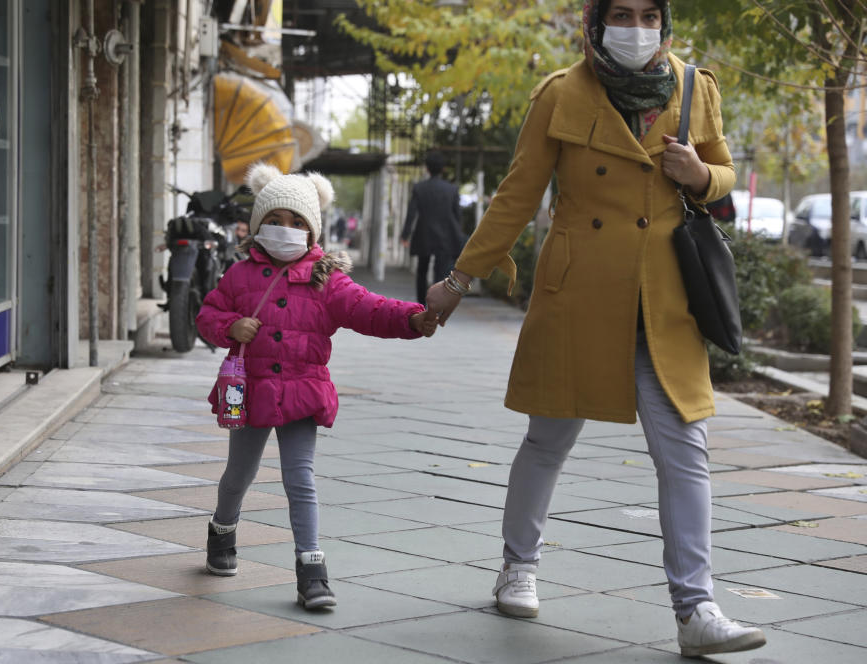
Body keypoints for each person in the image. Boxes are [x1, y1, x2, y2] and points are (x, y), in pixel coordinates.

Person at [425, 0, 766, 657]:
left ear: (664, 25)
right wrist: (459, 282)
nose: (634, 27)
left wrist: (701, 175)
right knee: (548, 437)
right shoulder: (560, 93)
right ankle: (518, 565)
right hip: (578, 296)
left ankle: (696, 608)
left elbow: (721, 175)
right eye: (621, 13)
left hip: (663, 302)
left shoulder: (696, 88)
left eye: (647, 14)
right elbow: (518, 195)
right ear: (594, 22)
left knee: (685, 450)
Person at [196, 163, 437, 611]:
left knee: (300, 479)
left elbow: (369, 308)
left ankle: (311, 570)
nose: (284, 230)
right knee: (238, 477)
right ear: (257, 224)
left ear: (312, 231)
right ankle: (222, 532)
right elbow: (206, 317)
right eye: (274, 220)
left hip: (302, 392)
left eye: (296, 223)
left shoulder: (326, 280)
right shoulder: (240, 276)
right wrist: (231, 326)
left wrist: (412, 318)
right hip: (249, 393)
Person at [402, 151, 466, 305]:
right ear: (443, 169)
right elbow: (457, 216)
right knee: (441, 271)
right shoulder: (451, 190)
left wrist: (405, 235)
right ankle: (436, 302)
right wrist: (458, 235)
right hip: (445, 236)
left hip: (424, 234)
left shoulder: (419, 188)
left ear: (427, 168)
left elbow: (412, 213)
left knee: (422, 270)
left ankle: (420, 304)